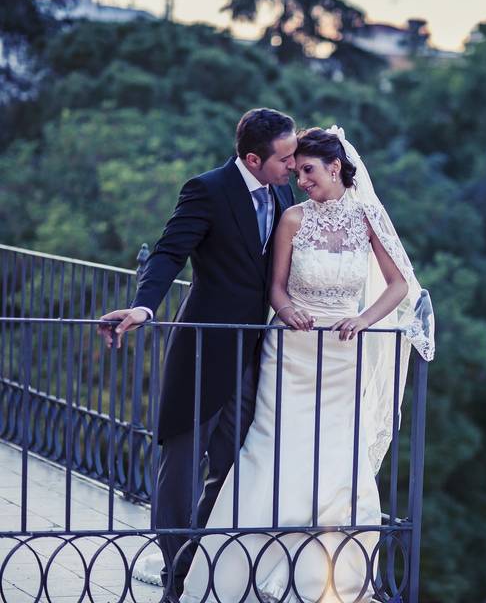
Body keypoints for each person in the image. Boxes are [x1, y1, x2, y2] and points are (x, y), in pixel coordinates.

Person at [178, 126, 434, 602]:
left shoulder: (369, 217)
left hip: (344, 354)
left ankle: (323, 577)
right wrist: (287, 309)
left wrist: (363, 318)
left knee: (337, 459)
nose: (300, 180)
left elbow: (400, 286)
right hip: (292, 353)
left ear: (335, 168)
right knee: (275, 450)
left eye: (308, 171)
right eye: (296, 172)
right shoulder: (292, 219)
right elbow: (275, 288)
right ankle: (239, 570)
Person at [97, 108, 298, 597]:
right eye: (285, 158)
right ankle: (173, 571)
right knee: (183, 466)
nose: (293, 166)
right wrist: (145, 307)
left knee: (233, 462)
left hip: (253, 351)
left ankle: (198, 557)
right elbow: (169, 252)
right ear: (253, 158)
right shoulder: (206, 189)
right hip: (203, 347)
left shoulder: (285, 194)